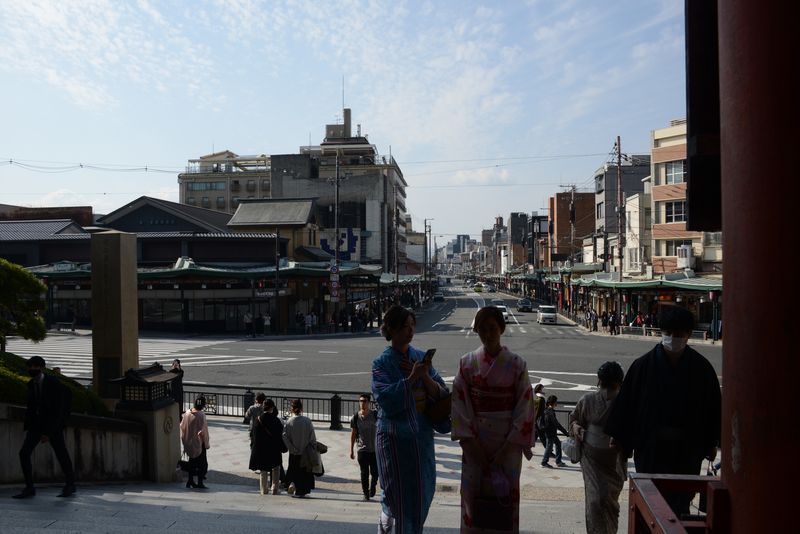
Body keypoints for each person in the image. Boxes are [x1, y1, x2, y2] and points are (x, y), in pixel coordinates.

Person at [605, 305, 721, 517]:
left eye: (679, 334)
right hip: (651, 447)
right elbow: (627, 404)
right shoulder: (642, 366)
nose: (673, 338)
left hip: (687, 449)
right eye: (668, 334)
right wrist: (620, 438)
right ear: (662, 333)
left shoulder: (702, 369)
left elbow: (712, 407)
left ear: (688, 334)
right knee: (651, 502)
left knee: (681, 502)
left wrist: (712, 442)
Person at [451, 306, 535, 533]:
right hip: (474, 444)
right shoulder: (467, 363)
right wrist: (472, 445)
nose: (487, 335)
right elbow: (460, 406)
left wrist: (507, 448)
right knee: (472, 502)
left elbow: (525, 407)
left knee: (505, 504)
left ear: (502, 329)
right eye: (482, 330)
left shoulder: (518, 364)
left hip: (508, 446)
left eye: (492, 329)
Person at [372, 305, 451, 533]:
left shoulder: (420, 357)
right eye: (404, 326)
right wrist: (410, 379)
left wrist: (424, 376)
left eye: (412, 326)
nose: (410, 331)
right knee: (395, 497)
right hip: (394, 440)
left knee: (422, 492)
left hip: (421, 437)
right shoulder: (381, 363)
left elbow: (442, 393)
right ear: (392, 329)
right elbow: (385, 398)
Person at [570, 361, 627, 534]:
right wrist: (576, 428)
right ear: (599, 382)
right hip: (591, 458)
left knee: (609, 500)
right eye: (605, 384)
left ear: (619, 384)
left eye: (612, 385)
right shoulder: (587, 400)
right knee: (595, 500)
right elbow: (574, 418)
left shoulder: (625, 404)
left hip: (614, 460)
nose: (607, 389)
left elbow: (633, 430)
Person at [13, 356, 76, 499]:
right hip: (36, 425)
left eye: (34, 367)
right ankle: (29, 487)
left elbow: (58, 410)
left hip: (53, 425)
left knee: (61, 453)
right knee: (24, 453)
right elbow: (32, 406)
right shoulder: (31, 384)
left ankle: (70, 484)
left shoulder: (53, 383)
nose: (31, 369)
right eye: (29, 367)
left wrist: (48, 432)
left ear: (41, 368)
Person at [282, 398, 317, 498]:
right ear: (301, 408)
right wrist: (313, 447)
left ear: (291, 409)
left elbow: (284, 437)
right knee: (304, 473)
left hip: (294, 452)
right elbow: (312, 438)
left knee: (293, 469)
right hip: (305, 452)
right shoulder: (307, 421)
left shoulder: (288, 422)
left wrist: (292, 448)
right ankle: (302, 491)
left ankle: (292, 484)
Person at [249, 399, 285, 495]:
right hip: (274, 449)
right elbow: (280, 436)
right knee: (276, 468)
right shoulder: (276, 420)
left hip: (261, 449)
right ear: (272, 408)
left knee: (263, 470)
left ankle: (264, 490)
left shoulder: (258, 420)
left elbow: (254, 436)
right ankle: (274, 488)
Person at [350, 392, 379, 501]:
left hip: (375, 449)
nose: (362, 403)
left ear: (369, 403)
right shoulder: (356, 417)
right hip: (362, 449)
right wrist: (351, 450)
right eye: (360, 401)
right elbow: (353, 434)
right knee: (364, 472)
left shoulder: (375, 415)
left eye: (364, 401)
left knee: (375, 472)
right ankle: (365, 493)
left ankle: (373, 486)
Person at [180, 396, 210, 489]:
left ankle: (190, 480)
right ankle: (200, 482)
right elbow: (203, 431)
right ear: (203, 405)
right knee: (202, 464)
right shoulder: (201, 415)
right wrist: (206, 442)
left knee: (192, 462)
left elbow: (182, 426)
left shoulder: (187, 413)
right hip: (199, 443)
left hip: (189, 442)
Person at [540, 395, 568, 468]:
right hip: (550, 433)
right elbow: (557, 424)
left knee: (558, 444)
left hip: (550, 432)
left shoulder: (547, 410)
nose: (557, 403)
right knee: (549, 447)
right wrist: (566, 433)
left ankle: (558, 461)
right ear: (553, 402)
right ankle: (544, 462)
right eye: (556, 401)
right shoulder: (550, 412)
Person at [533, 384, 547, 448]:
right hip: (539, 421)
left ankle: (527, 448)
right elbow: (539, 411)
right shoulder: (541, 399)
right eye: (542, 389)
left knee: (535, 437)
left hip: (537, 421)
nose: (543, 390)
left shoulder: (538, 398)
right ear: (539, 390)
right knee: (543, 437)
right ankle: (549, 452)